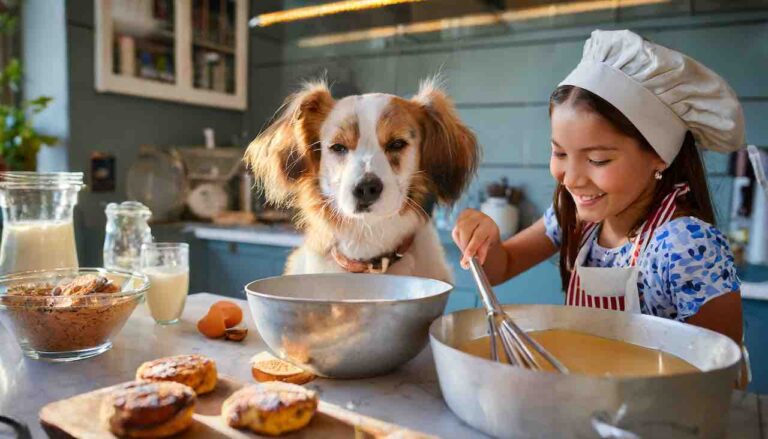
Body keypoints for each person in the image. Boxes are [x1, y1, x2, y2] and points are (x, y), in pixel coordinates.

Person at [452, 30, 746, 349]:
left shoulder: (685, 246)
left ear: (660, 156)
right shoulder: (575, 217)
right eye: (560, 153)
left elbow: (719, 370)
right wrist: (485, 239)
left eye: (598, 159)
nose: (572, 179)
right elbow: (502, 265)